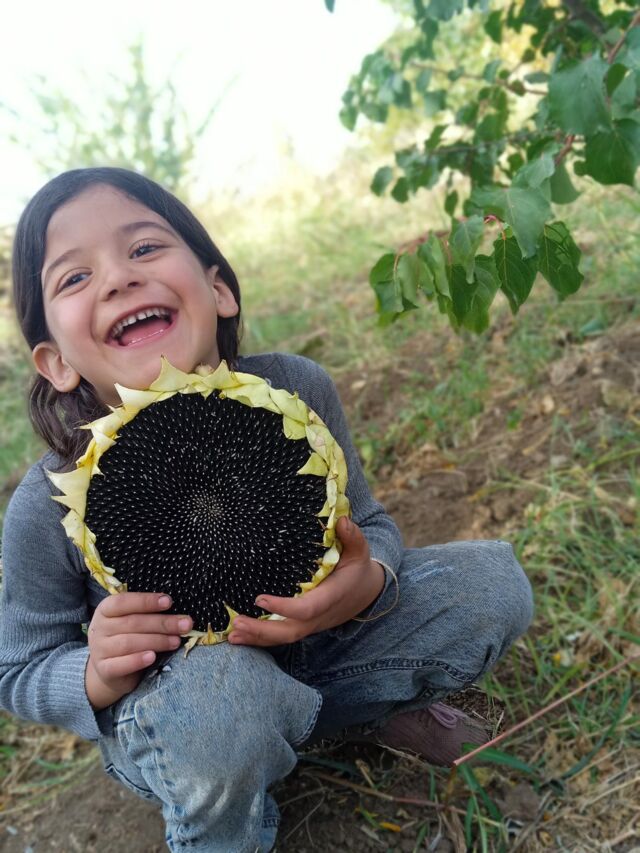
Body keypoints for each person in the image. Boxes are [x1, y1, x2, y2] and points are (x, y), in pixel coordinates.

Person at [0, 167, 533, 853]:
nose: (118, 279)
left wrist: (365, 580)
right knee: (225, 703)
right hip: (183, 712)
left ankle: (360, 708)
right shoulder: (50, 497)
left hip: (320, 648)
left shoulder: (294, 392)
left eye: (144, 248)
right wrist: (96, 672)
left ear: (218, 288)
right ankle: (223, 829)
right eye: (75, 277)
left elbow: (369, 526)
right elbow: (18, 667)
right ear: (54, 362)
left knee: (489, 585)